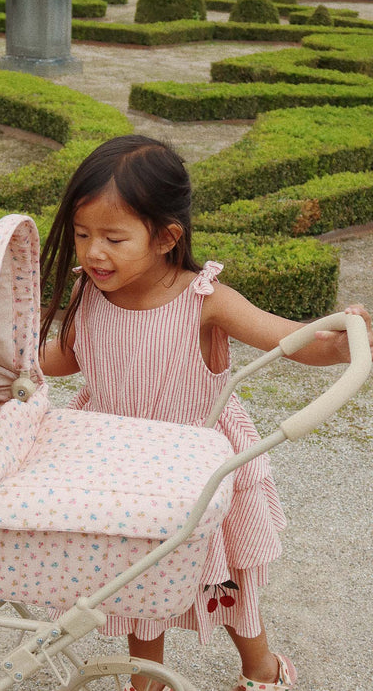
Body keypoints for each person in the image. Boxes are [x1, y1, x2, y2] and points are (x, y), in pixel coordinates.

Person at [38, 134, 372, 691]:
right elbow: (67, 357)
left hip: (198, 468)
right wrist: (15, 360)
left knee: (230, 580)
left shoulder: (204, 299)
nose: (94, 252)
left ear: (167, 237)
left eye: (114, 238)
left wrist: (339, 340)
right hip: (119, 468)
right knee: (140, 581)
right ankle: (146, 682)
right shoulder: (87, 292)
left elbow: (287, 340)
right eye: (81, 235)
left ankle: (260, 667)